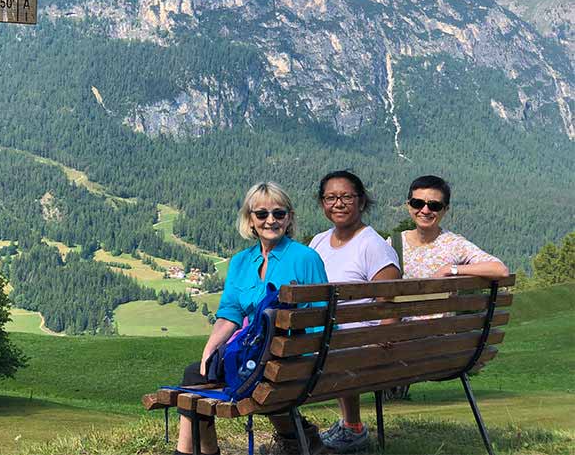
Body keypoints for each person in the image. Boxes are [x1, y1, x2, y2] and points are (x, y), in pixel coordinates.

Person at [175, 182, 328, 455]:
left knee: (193, 378)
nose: (271, 220)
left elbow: (321, 319)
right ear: (250, 220)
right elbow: (230, 313)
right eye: (262, 214)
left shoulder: (305, 258)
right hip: (258, 358)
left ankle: (195, 452)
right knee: (197, 372)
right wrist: (210, 349)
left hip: (290, 363)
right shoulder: (241, 262)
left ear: (289, 217)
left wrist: (297, 356)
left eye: (279, 214)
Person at [309, 170, 401, 454]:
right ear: (323, 203)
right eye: (331, 197)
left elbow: (390, 303)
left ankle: (351, 427)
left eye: (346, 196)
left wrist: (382, 341)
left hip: (353, 341)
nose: (338, 203)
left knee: (332, 344)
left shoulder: (372, 245)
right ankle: (347, 426)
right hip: (331, 336)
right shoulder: (318, 241)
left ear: (361, 202)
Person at [402, 175, 509, 280]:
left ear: (445, 209)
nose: (425, 211)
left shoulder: (454, 245)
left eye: (434, 206)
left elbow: (500, 269)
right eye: (417, 203)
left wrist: (451, 269)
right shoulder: (395, 244)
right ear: (408, 205)